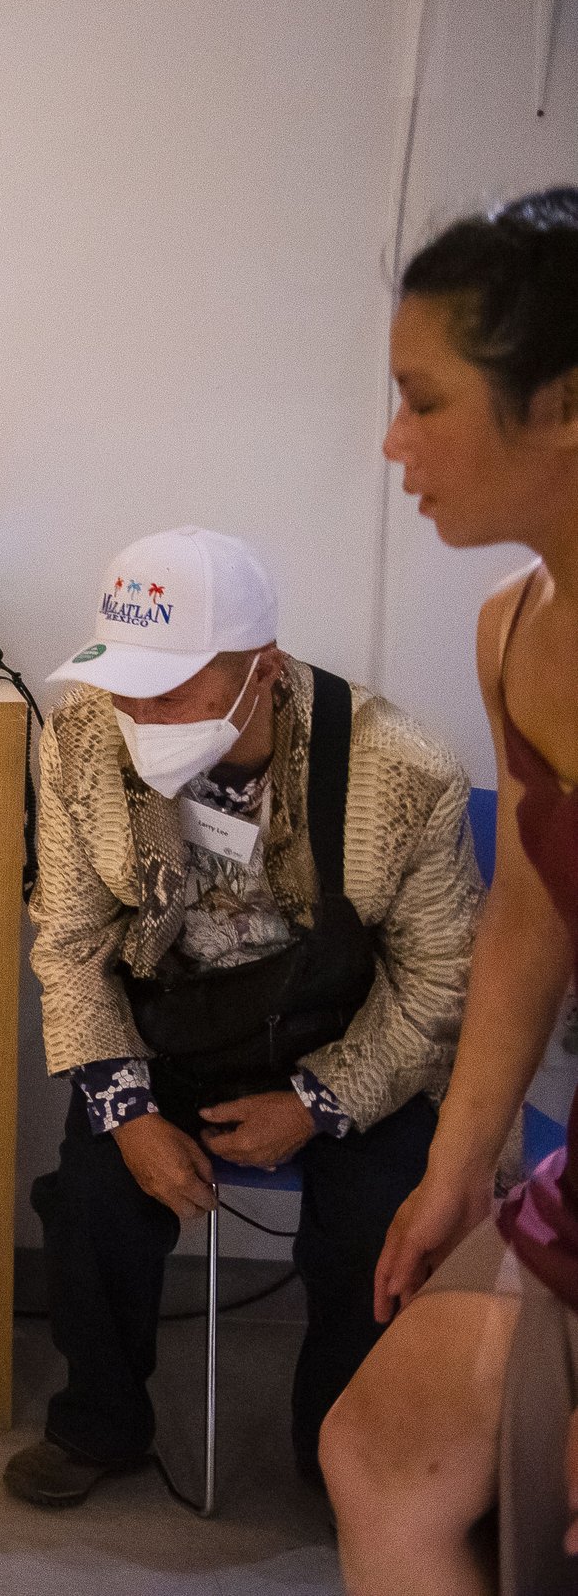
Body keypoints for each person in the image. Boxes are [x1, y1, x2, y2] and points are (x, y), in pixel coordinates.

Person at [7, 524, 478, 1508]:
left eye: (172, 690)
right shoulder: (84, 733)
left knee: (371, 1230)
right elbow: (70, 940)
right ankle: (100, 1419)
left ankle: (339, 1446)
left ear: (261, 668)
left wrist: (316, 1102)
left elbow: (436, 981)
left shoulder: (402, 768)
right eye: (124, 680)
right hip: (165, 1033)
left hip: (346, 1038)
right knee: (89, 1201)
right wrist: (130, 1113)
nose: (138, 712)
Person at [321, 188, 578, 1596]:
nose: (392, 442)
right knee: (384, 1450)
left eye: (424, 401)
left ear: (563, 405)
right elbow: (537, 906)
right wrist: (459, 1161)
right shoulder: (516, 632)